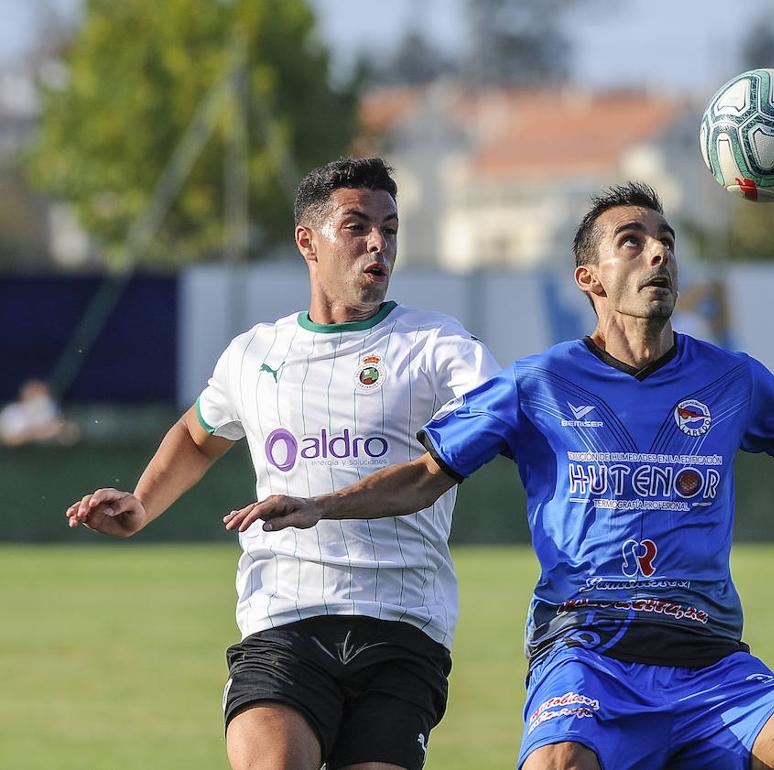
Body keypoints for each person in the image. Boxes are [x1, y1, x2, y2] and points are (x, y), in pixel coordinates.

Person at [225, 182, 774, 770]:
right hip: (587, 652)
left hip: (710, 663)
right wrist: (319, 506)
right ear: (589, 278)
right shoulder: (538, 383)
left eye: (667, 241)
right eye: (632, 242)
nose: (658, 255)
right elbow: (423, 475)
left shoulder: (732, 380)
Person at [65, 157, 499, 770]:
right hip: (283, 622)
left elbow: (499, 408)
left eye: (391, 228)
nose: (379, 242)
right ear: (307, 242)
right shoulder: (253, 353)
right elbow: (196, 434)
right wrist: (142, 505)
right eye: (357, 226)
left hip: (404, 628)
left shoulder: (434, 344)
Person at [0, 378, 79, 446]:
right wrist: (33, 434)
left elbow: (68, 431)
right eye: (34, 392)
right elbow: (8, 439)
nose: (39, 398)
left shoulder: (51, 409)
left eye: (41, 392)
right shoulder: (12, 413)